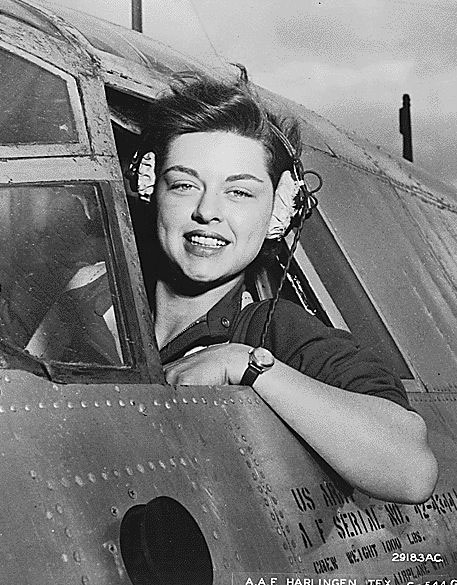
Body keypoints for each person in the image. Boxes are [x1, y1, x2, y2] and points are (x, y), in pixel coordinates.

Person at [127, 73, 438, 504]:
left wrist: (244, 363)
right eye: (183, 184)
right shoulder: (83, 299)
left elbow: (411, 471)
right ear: (150, 187)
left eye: (239, 192)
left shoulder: (276, 332)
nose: (207, 211)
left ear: (279, 211)